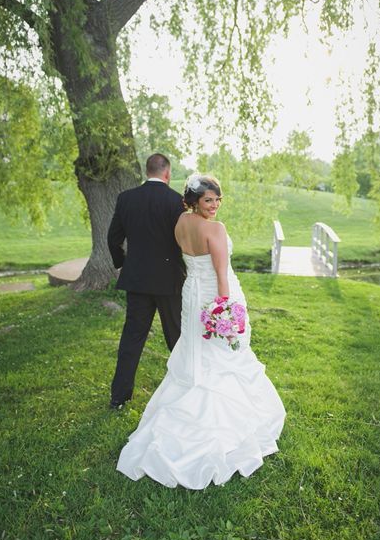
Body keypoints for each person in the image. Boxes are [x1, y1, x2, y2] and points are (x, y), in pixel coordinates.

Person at [116, 174, 286, 488]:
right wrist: (224, 310)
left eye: (218, 200)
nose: (215, 205)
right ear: (195, 201)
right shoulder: (215, 229)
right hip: (215, 295)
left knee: (195, 351)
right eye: (208, 200)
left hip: (191, 295)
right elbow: (221, 273)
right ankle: (222, 424)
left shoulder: (181, 222)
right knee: (223, 356)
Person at [106, 153, 186, 409]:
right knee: (176, 338)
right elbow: (184, 242)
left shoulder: (126, 198)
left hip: (137, 280)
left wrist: (124, 264)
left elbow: (113, 239)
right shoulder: (176, 201)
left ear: (146, 171)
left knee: (132, 338)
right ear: (167, 173)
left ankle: (119, 396)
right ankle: (186, 391)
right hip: (169, 281)